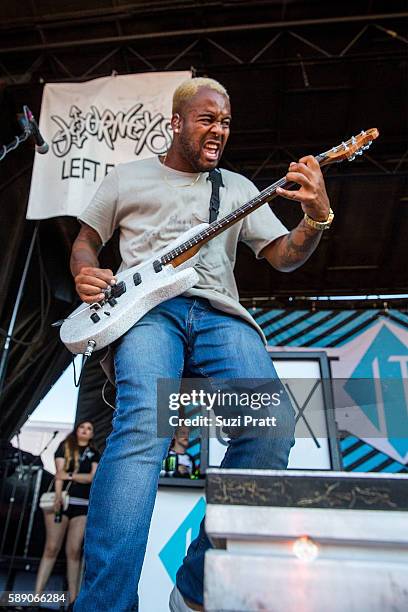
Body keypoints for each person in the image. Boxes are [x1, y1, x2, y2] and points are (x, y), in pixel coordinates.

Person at [70, 77, 332, 611]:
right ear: (177, 123)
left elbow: (282, 256)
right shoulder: (127, 179)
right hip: (147, 313)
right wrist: (84, 271)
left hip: (219, 313)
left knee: (273, 424)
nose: (220, 130)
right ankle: (105, 604)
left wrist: (315, 218)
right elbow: (87, 239)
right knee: (145, 422)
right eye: (209, 119)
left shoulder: (236, 188)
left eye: (227, 122)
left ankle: (195, 585)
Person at [35, 421, 100, 608]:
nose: (86, 431)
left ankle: (73, 600)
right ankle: (36, 599)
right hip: (62, 501)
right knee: (51, 548)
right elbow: (58, 475)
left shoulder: (94, 453)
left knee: (74, 552)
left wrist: (70, 476)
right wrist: (57, 497)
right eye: (82, 427)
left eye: (89, 428)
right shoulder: (65, 447)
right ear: (76, 430)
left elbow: (91, 477)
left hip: (82, 505)